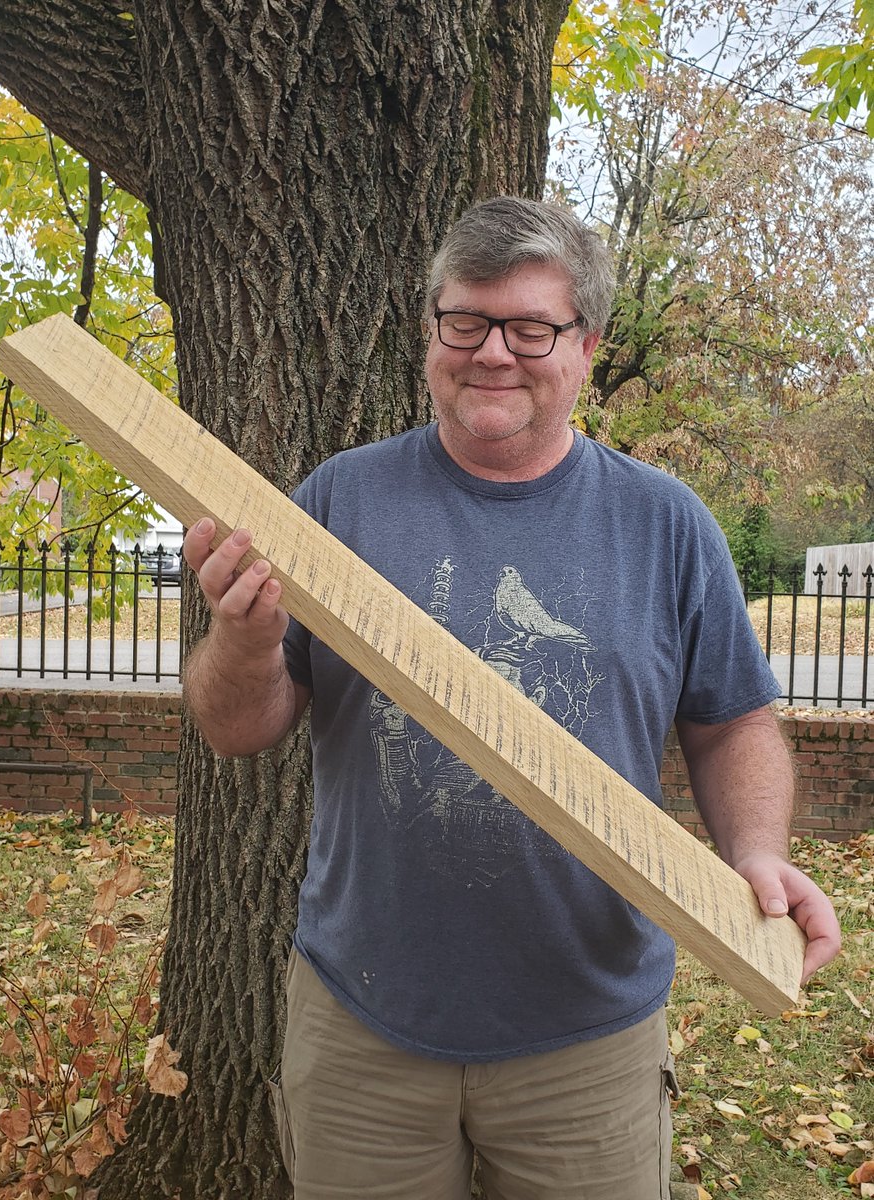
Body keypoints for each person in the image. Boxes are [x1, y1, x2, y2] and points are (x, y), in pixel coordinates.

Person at [182, 196, 841, 1200]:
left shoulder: (666, 526)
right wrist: (244, 637)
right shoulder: (335, 502)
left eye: (531, 328)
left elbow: (734, 720)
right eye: (466, 322)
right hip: (365, 1021)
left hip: (590, 1036)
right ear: (431, 333)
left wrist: (753, 856)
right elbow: (238, 729)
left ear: (585, 346)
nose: (494, 353)